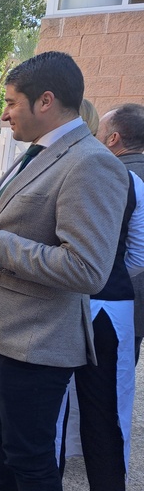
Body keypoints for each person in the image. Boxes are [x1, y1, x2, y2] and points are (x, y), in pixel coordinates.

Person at [0, 51, 130, 491]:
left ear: (45, 101)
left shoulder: (92, 163)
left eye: (10, 103)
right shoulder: (38, 153)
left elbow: (87, 268)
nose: (3, 114)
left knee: (32, 460)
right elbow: (15, 227)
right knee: (1, 436)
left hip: (35, 342)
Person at [61, 103, 144, 491]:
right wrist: (106, 279)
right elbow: (138, 255)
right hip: (113, 307)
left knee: (58, 406)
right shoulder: (130, 182)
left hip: (68, 305)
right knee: (107, 410)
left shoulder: (67, 170)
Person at [98, 103, 144, 363]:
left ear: (113, 138)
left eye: (99, 132)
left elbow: (138, 255)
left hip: (110, 297)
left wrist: (107, 272)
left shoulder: (111, 177)